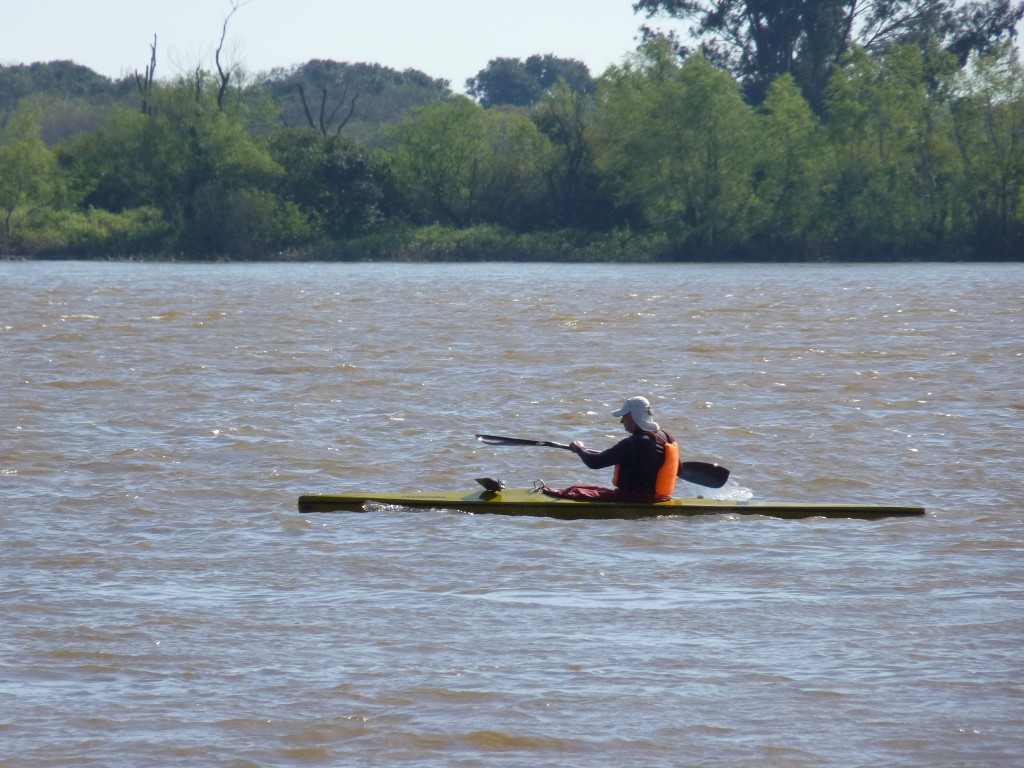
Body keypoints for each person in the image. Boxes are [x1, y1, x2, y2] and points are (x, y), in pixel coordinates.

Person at [541, 396, 679, 502]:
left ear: (634, 417)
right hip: (661, 498)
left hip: (635, 500)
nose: (621, 421)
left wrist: (579, 449)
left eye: (624, 416)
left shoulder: (633, 443)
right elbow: (679, 469)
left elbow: (594, 463)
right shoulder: (666, 437)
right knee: (581, 488)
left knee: (575, 490)